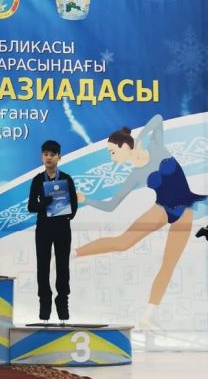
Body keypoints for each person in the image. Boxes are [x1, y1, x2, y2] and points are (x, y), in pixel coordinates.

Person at [74, 114, 206, 329]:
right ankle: (71, 254)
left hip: (184, 211)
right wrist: (85, 199)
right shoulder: (135, 175)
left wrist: (140, 138)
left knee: (168, 264)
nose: (112, 158)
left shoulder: (156, 146)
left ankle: (148, 315)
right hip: (161, 208)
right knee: (122, 242)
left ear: (125, 146)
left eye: (112, 152)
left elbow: (158, 119)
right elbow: (111, 205)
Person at [27, 140, 78, 323]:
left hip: (62, 227)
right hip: (43, 228)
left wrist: (67, 214)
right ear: (42, 157)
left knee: (63, 266)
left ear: (59, 157)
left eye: (52, 154)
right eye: (46, 154)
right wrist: (45, 203)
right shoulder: (37, 180)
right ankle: (45, 302)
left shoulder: (66, 179)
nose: (49, 157)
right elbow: (31, 207)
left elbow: (74, 204)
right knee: (43, 266)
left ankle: (62, 301)